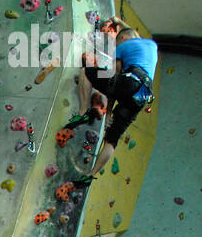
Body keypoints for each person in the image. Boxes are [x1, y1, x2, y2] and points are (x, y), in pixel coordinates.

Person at [62, 18, 157, 185]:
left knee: (86, 72)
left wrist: (108, 112)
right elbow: (131, 32)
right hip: (142, 96)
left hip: (130, 81)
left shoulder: (121, 48)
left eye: (118, 39)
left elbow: (114, 81)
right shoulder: (151, 45)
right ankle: (90, 175)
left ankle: (82, 113)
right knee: (112, 140)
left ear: (122, 39)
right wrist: (118, 21)